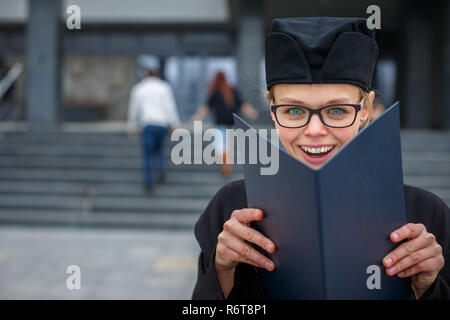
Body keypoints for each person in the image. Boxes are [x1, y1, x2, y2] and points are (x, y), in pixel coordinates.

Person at [192, 17, 450, 300]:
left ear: (365, 110)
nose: (315, 131)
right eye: (294, 111)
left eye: (337, 111)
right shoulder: (229, 208)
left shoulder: (426, 216)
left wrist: (427, 287)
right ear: (273, 111)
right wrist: (222, 270)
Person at [127, 56, 181, 192]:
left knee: (148, 153)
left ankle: (149, 181)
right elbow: (170, 106)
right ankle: (160, 169)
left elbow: (134, 108)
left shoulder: (139, 88)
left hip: (148, 124)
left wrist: (132, 125)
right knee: (159, 149)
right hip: (162, 124)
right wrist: (174, 123)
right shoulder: (164, 87)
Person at [192, 71, 258, 177]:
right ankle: (226, 166)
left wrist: (198, 116)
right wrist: (251, 113)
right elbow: (242, 104)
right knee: (226, 146)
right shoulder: (232, 90)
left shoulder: (216, 91)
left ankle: (225, 166)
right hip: (231, 124)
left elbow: (207, 108)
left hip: (220, 124)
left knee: (220, 146)